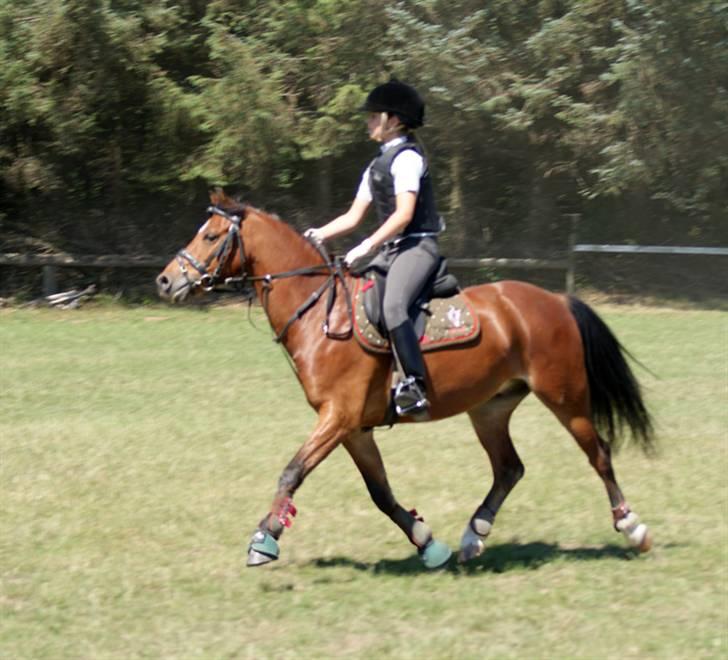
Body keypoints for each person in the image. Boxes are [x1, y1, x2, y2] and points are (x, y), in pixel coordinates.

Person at [304, 79, 443, 419]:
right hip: (392, 250)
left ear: (393, 120)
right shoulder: (377, 165)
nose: (367, 122)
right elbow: (352, 217)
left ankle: (415, 385)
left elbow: (404, 215)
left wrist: (365, 247)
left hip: (417, 247)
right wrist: (317, 234)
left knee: (393, 305)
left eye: (373, 116)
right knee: (359, 300)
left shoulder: (407, 159)